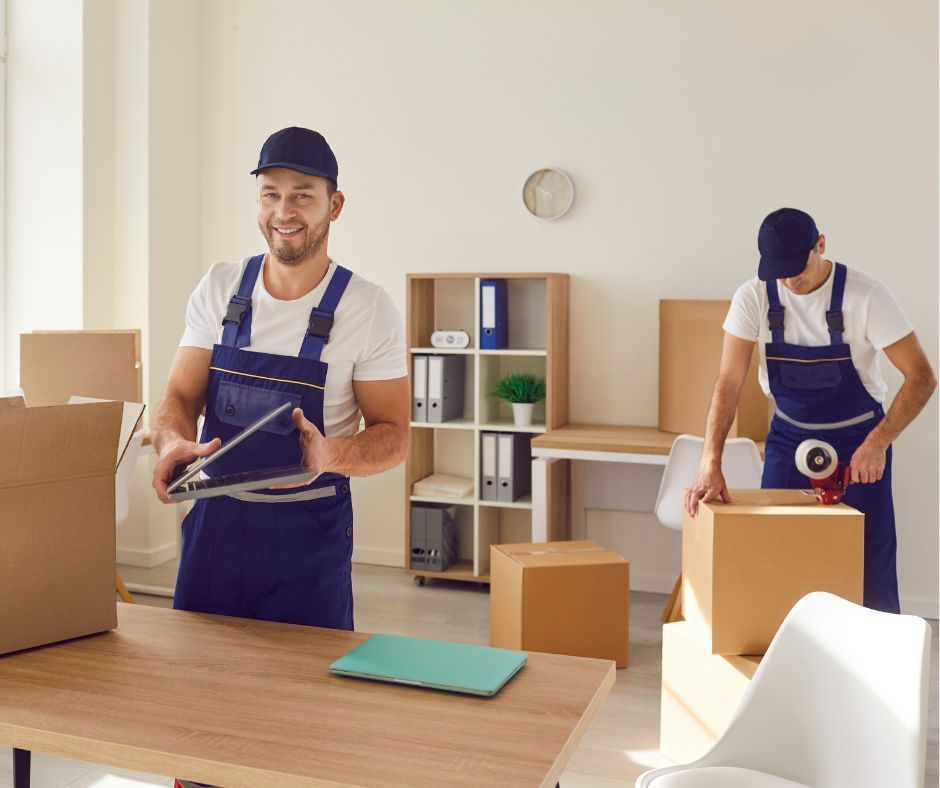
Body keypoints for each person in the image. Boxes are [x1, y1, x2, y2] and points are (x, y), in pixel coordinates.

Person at [152, 126, 410, 634]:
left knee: (304, 696)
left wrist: (330, 455)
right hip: (213, 524)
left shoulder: (368, 308)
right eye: (270, 194)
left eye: (302, 196)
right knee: (196, 681)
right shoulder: (221, 287)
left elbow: (395, 435)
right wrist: (173, 442)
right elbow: (178, 397)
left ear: (334, 205)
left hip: (308, 533)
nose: (283, 212)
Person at [684, 207, 936, 613]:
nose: (788, 280)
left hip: (860, 441)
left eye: (796, 268)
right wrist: (709, 459)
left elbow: (922, 377)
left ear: (821, 244)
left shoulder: (865, 295)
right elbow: (728, 383)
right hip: (788, 437)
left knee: (868, 557)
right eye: (778, 271)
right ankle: (783, 657)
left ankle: (880, 665)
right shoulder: (754, 296)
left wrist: (878, 442)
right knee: (778, 550)